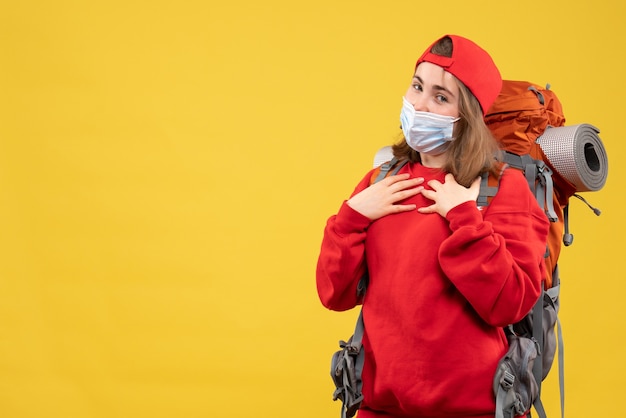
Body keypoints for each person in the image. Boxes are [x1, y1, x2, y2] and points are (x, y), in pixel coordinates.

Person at [316, 34, 551, 418]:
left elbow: (511, 303)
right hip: (380, 409)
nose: (418, 104)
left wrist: (464, 218)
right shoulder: (381, 181)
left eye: (441, 97)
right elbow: (333, 294)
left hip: (477, 411)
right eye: (417, 86)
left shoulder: (503, 188)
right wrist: (351, 218)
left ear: (468, 117)